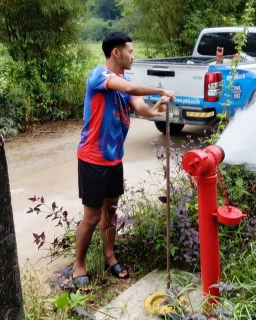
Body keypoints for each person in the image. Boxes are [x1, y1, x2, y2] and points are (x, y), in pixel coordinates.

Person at [72, 31, 176, 287]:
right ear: (116, 52)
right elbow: (129, 88)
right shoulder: (99, 76)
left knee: (111, 212)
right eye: (130, 50)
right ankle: (79, 265)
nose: (133, 55)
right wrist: (160, 88)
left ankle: (109, 256)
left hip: (114, 159)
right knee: (92, 217)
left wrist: (155, 108)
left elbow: (140, 105)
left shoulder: (124, 83)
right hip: (93, 158)